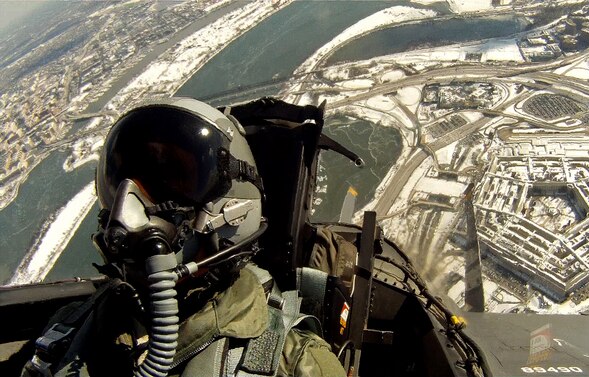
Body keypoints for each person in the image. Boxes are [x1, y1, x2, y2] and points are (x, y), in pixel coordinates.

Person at [22, 97, 347, 377]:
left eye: (169, 183)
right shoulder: (66, 332)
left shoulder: (298, 364)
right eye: (120, 184)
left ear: (234, 207)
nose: (126, 211)